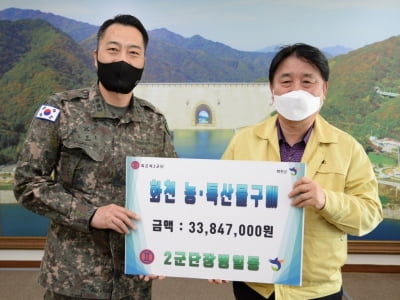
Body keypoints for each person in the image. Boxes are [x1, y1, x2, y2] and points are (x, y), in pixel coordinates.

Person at [13, 14, 177, 299]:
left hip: (133, 281)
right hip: (74, 281)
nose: (123, 60)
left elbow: (170, 192)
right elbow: (27, 184)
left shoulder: (154, 122)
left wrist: (162, 249)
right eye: (113, 50)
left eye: (133, 52)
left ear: (143, 62)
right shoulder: (62, 110)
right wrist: (90, 214)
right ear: (96, 56)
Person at [221, 43, 383, 299]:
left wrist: (326, 200)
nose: (296, 90)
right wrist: (219, 255)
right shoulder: (243, 141)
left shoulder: (348, 148)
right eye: (286, 81)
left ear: (324, 89)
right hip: (255, 283)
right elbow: (218, 206)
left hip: (315, 288)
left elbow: (370, 215)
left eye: (307, 81)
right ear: (272, 90)